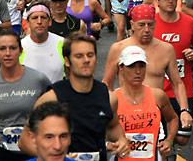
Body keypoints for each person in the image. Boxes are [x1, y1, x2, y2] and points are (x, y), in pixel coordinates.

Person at [19, 33, 130, 161]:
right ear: (67, 61)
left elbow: (113, 126)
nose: (86, 60)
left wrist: (121, 140)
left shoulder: (108, 96)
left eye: (90, 55)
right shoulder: (52, 98)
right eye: (79, 56)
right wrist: (55, 156)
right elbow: (24, 141)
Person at [103, 4, 193, 130]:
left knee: (169, 143)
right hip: (126, 112)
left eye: (150, 25)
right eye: (141, 25)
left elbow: (177, 83)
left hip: (155, 112)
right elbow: (107, 84)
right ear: (132, 24)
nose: (146, 29)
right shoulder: (118, 48)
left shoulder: (166, 49)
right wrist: (107, 111)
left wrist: (184, 109)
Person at [0, 29, 51, 161]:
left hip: (35, 149)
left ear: (21, 51)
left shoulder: (39, 79)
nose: (7, 53)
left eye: (12, 48)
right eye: (2, 48)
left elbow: (57, 112)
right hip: (3, 151)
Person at [153, 0, 193, 146]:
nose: (170, 1)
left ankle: (170, 144)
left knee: (182, 138)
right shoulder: (150, 24)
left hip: (182, 86)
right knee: (157, 134)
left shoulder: (189, 22)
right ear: (157, 1)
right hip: (157, 88)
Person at [115, 46, 179, 161]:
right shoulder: (113, 99)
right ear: (121, 68)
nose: (138, 71)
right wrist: (110, 145)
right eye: (131, 66)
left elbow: (173, 119)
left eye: (142, 66)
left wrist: (169, 140)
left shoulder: (158, 96)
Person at [20, 1, 65, 83]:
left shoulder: (62, 43)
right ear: (27, 23)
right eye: (34, 18)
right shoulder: (20, 46)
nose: (39, 21)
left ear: (50, 21)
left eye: (43, 17)